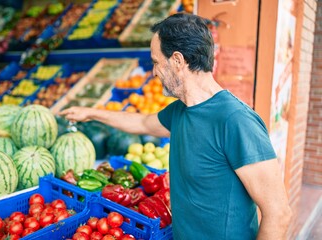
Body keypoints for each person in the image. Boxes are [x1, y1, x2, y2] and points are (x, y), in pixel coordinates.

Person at [60, 13, 292, 240]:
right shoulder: (181, 110)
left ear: (178, 61)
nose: (153, 72)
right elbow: (141, 122)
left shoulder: (236, 121)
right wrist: (90, 113)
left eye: (156, 62)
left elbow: (279, 214)